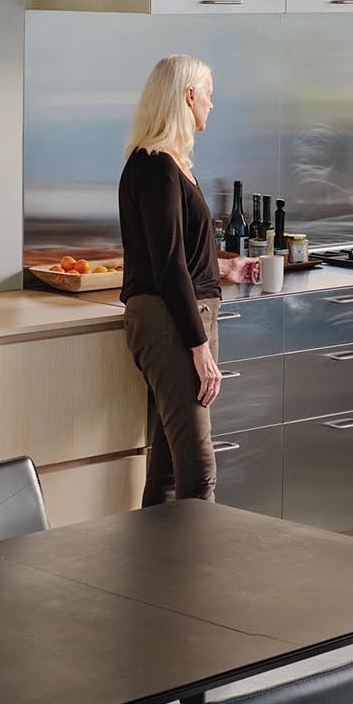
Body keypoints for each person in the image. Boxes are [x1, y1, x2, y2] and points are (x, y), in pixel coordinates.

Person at [119, 55, 250, 506]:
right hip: (170, 320)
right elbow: (168, 265)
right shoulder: (156, 166)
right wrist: (199, 349)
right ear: (188, 96)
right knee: (198, 470)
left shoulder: (171, 163)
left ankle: (156, 572)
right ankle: (202, 576)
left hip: (184, 316)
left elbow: (179, 253)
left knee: (168, 469)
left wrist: (224, 268)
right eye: (208, 94)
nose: (212, 104)